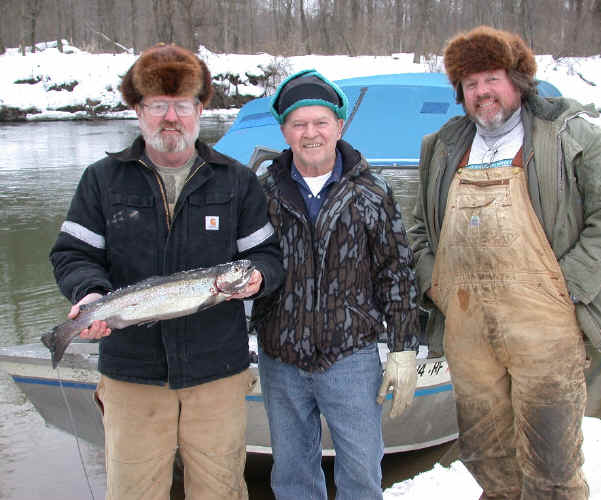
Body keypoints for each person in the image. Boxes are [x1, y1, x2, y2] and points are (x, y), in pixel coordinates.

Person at [409, 26, 601, 499]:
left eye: (491, 78)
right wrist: (437, 285)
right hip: (466, 327)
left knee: (551, 466)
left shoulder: (569, 134)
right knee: (485, 456)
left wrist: (566, 287)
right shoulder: (443, 146)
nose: (482, 92)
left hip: (546, 327)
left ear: (518, 81)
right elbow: (416, 229)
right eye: (470, 83)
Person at [50, 43, 284, 500]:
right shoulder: (102, 179)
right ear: (138, 111)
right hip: (131, 375)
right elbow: (72, 254)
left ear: (200, 110)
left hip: (217, 376)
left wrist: (257, 277)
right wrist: (89, 294)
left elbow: (267, 256)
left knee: (220, 491)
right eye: (158, 105)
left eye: (182, 105)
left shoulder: (236, 180)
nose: (170, 118)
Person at [250, 69, 420, 500]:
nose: (311, 133)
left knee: (361, 474)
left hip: (352, 357)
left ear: (339, 125)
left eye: (320, 122)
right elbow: (241, 269)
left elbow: (397, 272)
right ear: (284, 131)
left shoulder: (372, 191)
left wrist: (403, 348)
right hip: (280, 357)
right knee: (291, 476)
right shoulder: (260, 193)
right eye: (299, 124)